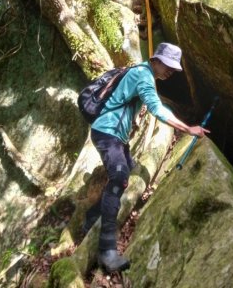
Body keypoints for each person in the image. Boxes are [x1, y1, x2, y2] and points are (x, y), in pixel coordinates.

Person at [83, 42, 210, 273]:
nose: (171, 71)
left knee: (128, 168)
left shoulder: (140, 71)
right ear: (156, 59)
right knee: (120, 176)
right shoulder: (143, 75)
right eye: (168, 65)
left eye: (174, 67)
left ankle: (92, 217)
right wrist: (188, 128)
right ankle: (107, 251)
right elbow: (157, 109)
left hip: (116, 136)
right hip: (107, 132)